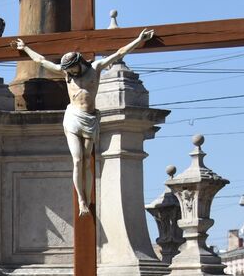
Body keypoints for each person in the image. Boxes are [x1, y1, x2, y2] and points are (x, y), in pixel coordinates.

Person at [15, 28, 154, 214]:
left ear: (78, 63)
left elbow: (119, 53)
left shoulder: (95, 69)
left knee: (87, 160)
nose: (69, 72)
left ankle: (87, 200)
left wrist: (139, 40)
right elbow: (42, 61)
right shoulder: (67, 74)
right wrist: (25, 48)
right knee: (77, 159)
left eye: (71, 68)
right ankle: (81, 200)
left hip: (90, 119)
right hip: (72, 117)